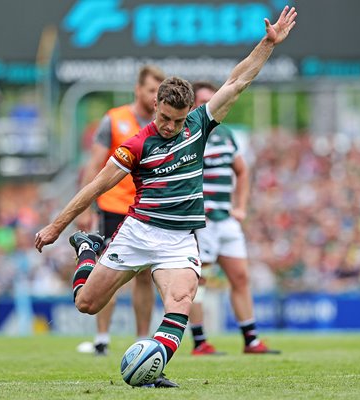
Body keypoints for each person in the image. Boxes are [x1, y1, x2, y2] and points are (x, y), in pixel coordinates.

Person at [35, 5, 297, 388]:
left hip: (178, 240)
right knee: (86, 304)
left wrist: (267, 44)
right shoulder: (137, 145)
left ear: (189, 111)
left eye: (178, 119)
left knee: (181, 301)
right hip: (139, 232)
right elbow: (96, 185)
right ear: (155, 106)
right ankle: (88, 249)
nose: (171, 127)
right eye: (164, 118)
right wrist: (58, 226)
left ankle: (151, 370)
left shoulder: (199, 124)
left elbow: (238, 81)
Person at [75, 65, 166, 356]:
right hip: (112, 206)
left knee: (144, 275)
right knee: (107, 270)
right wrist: (86, 205)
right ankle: (102, 338)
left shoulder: (164, 122)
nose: (155, 96)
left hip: (146, 207)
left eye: (159, 91)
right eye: (151, 90)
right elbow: (95, 164)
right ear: (137, 89)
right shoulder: (114, 120)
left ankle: (142, 339)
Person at [189, 82, 280, 355]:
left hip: (226, 219)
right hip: (202, 222)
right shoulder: (190, 135)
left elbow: (242, 171)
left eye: (211, 99)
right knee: (200, 281)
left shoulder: (227, 134)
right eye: (201, 101)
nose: (208, 105)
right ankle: (199, 341)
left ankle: (250, 340)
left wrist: (240, 206)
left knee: (240, 277)